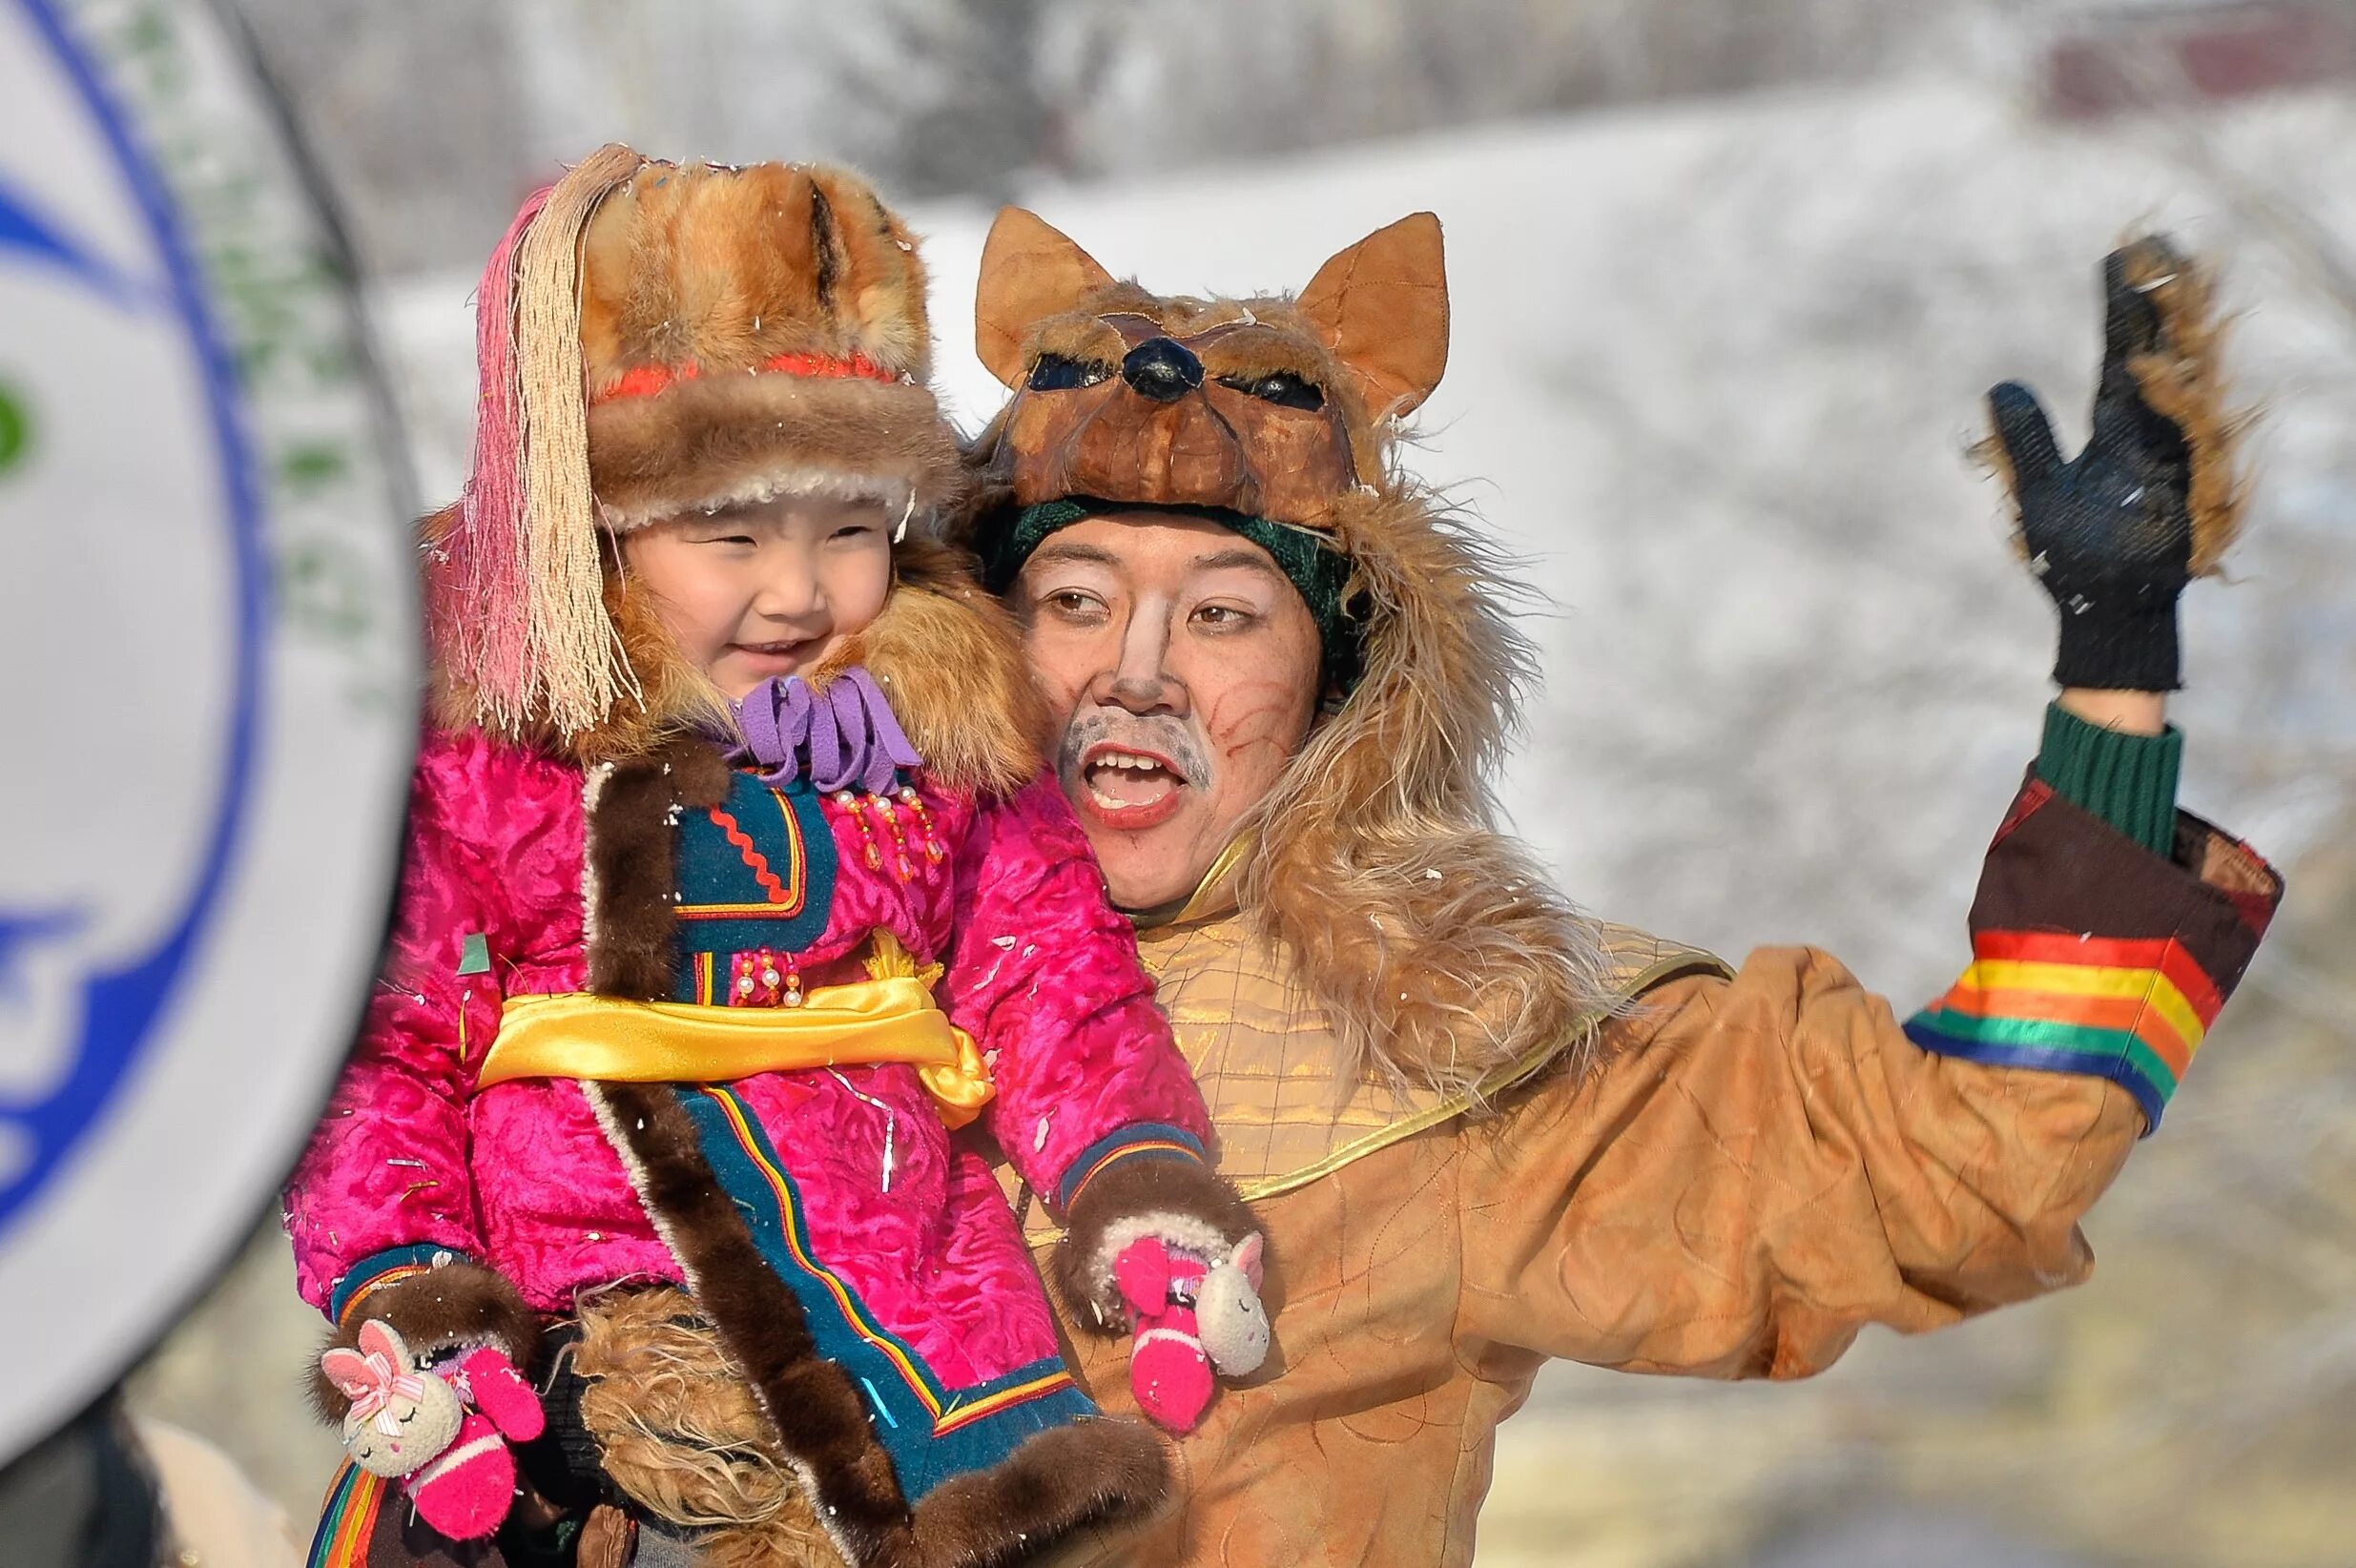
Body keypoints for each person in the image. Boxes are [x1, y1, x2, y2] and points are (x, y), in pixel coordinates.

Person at [961, 209, 2283, 1566]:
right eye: (1071, 599)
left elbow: (1959, 1167)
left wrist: (2114, 659)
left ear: (1336, 692)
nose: (1136, 670)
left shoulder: (1448, 1032)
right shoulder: (797, 955)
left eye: (1224, 615)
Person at [281, 153, 1259, 1568]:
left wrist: (1136, 1187)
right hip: (578, 1325)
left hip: (913, 1302)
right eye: (734, 535)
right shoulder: (484, 751)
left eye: (852, 530)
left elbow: (1051, 973)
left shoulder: (938, 737)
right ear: (598, 529)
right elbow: (383, 1048)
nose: (802, 594)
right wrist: (415, 1286)